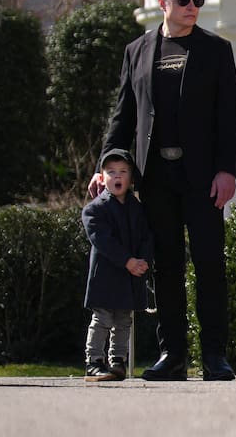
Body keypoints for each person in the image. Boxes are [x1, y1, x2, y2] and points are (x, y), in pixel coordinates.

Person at [94, 0, 236, 382]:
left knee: (210, 263)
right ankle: (172, 355)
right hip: (154, 175)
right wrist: (105, 165)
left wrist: (226, 170)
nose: (192, 6)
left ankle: (215, 356)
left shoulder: (217, 50)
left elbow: (229, 119)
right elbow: (123, 116)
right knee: (167, 266)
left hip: (203, 178)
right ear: (163, 2)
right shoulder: (137, 51)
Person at [82, 148, 154, 383]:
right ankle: (94, 362)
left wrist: (143, 261)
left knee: (124, 321)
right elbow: (103, 241)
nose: (117, 176)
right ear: (102, 179)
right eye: (111, 172)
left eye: (123, 171)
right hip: (106, 276)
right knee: (102, 319)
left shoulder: (138, 209)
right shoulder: (95, 209)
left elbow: (146, 237)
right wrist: (128, 261)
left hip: (129, 277)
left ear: (131, 179)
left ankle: (118, 362)